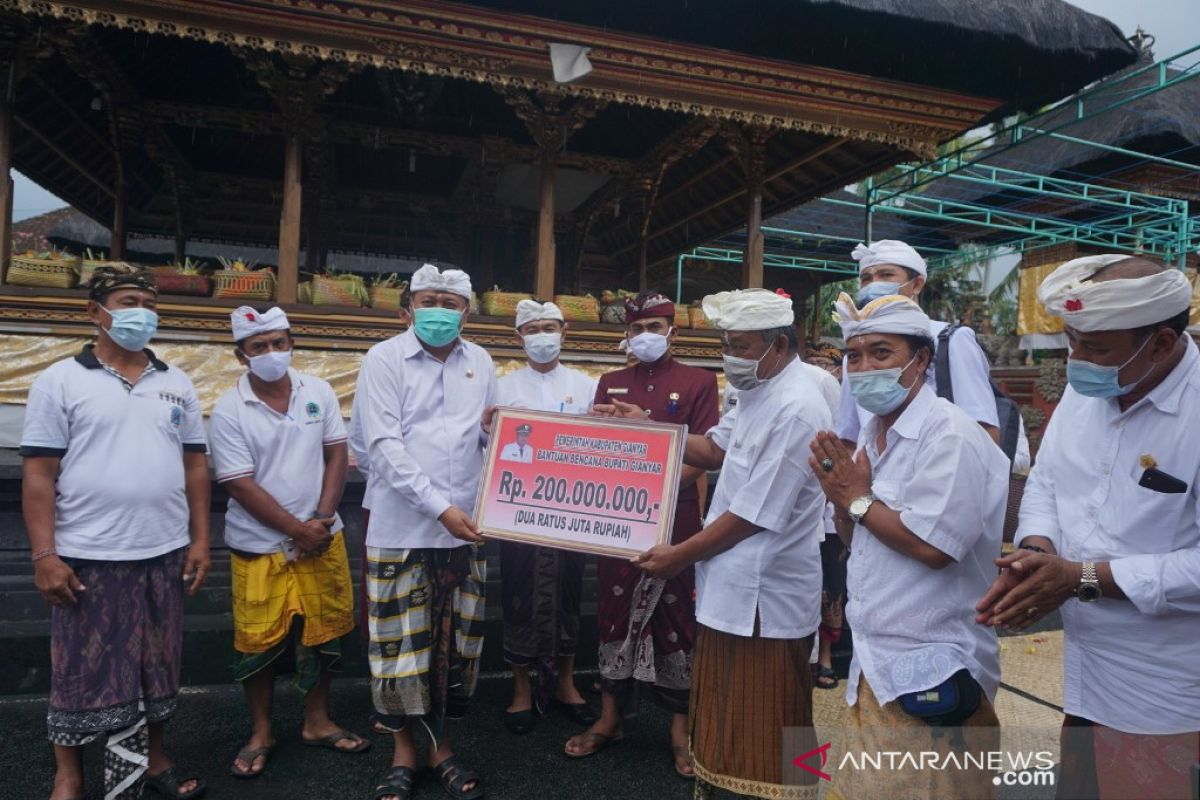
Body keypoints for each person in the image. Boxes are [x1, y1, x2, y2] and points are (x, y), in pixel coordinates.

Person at [977, 255, 1200, 800]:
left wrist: (1081, 577)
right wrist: (1036, 552)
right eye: (1072, 341)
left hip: (1169, 683)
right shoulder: (1089, 389)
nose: (1077, 360)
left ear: (1163, 344)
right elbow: (1048, 482)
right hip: (1085, 667)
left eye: (1096, 348)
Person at [627, 288, 831, 799]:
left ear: (779, 345)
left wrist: (678, 556)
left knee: (772, 719)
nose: (731, 357)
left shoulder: (799, 406)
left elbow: (754, 516)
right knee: (722, 710)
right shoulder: (758, 387)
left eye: (741, 346)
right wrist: (649, 430)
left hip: (767, 592)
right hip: (729, 581)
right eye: (726, 344)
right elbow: (716, 448)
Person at [20, 263, 209, 800]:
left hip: (163, 549)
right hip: (86, 553)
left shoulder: (175, 382)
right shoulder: (60, 380)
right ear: (94, 311)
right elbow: (38, 474)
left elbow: (196, 465)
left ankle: (154, 760)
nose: (141, 313)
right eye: (128, 301)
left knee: (158, 662)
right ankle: (70, 774)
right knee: (80, 666)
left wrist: (199, 540)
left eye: (149, 303)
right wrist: (43, 555)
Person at [813, 293, 1008, 800]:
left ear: (921, 359)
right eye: (854, 357)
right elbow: (863, 541)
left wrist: (855, 499)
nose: (864, 367)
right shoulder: (874, 433)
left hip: (934, 665)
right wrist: (842, 503)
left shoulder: (951, 435)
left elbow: (933, 548)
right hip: (877, 661)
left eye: (882, 353)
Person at [564, 290, 719, 779]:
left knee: (679, 618)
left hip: (677, 517)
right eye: (637, 328)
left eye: (655, 326)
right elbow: (600, 448)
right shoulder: (611, 381)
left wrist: (651, 436)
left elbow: (709, 451)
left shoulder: (697, 382)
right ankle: (611, 718)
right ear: (626, 334)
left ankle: (681, 728)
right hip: (620, 517)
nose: (646, 336)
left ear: (673, 330)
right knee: (613, 613)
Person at [208, 306, 369, 779]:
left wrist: (321, 518)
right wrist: (296, 530)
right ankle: (261, 730)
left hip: (324, 538)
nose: (272, 353)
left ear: (292, 343)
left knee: (326, 632)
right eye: (259, 347)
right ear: (242, 356)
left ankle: (317, 721)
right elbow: (239, 484)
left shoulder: (316, 391)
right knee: (258, 644)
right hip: (260, 545)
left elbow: (337, 453)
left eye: (279, 343)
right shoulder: (229, 409)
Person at [356, 263, 496, 800]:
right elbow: (383, 447)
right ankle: (404, 753)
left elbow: (492, 438)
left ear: (467, 309)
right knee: (399, 647)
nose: (439, 309)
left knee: (456, 643)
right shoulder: (383, 359)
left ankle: (443, 750)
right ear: (407, 307)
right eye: (428, 299)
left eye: (451, 301)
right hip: (402, 526)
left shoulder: (480, 361)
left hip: (467, 529)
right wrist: (439, 507)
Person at [491, 300, 598, 734]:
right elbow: (491, 448)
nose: (541, 335)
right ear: (518, 336)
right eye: (531, 328)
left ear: (564, 330)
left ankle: (566, 683)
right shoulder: (501, 386)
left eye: (548, 326)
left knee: (569, 594)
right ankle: (520, 687)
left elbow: (603, 446)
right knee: (517, 595)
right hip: (517, 512)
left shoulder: (587, 386)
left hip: (572, 510)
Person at [835, 240, 1000, 447]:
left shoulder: (952, 340)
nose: (873, 285)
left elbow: (983, 430)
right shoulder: (856, 354)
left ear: (917, 284)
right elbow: (849, 435)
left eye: (886, 275)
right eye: (866, 278)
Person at [805, 341, 849, 691]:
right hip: (804, 508)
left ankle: (827, 657)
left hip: (832, 507)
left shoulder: (835, 392)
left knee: (831, 586)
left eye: (828, 365)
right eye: (815, 363)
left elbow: (841, 445)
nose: (822, 370)